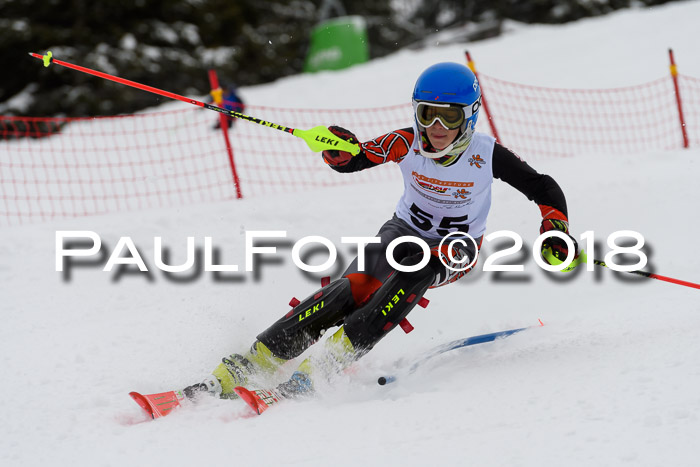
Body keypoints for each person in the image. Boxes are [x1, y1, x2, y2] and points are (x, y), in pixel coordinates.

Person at [185, 62, 578, 400]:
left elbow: (542, 186)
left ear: (470, 116)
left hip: (457, 245)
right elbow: (355, 159)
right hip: (402, 228)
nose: (437, 128)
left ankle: (327, 363)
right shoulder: (405, 142)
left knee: (418, 267)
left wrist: (554, 227)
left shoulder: (486, 153)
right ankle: (255, 361)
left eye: (450, 117)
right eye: (427, 114)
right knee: (351, 287)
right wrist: (339, 151)